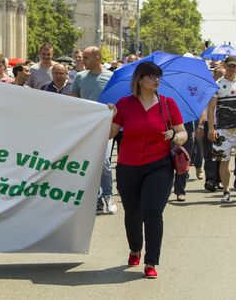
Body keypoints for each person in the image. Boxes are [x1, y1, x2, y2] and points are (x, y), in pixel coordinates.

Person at [107, 61, 187, 279]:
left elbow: (182, 133)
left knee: (152, 212)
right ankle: (135, 248)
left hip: (159, 165)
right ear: (140, 80)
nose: (156, 80)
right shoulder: (124, 104)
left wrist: (175, 136)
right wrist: (109, 116)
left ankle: (151, 261)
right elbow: (110, 134)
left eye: (158, 76)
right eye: (151, 76)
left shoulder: (168, 104)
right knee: (133, 213)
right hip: (128, 166)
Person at [70, 46, 115, 214]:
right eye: (82, 57)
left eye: (86, 58)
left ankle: (108, 196)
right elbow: (74, 102)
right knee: (90, 165)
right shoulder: (79, 77)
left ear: (97, 58)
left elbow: (118, 100)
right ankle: (96, 199)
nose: (82, 61)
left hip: (106, 127)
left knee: (103, 163)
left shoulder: (111, 77)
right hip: (87, 128)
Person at [208, 56, 236, 203]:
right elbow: (211, 108)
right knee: (224, 160)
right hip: (222, 128)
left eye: (234, 66)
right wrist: (211, 128)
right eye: (229, 66)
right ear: (225, 66)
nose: (232, 68)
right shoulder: (218, 84)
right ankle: (226, 190)